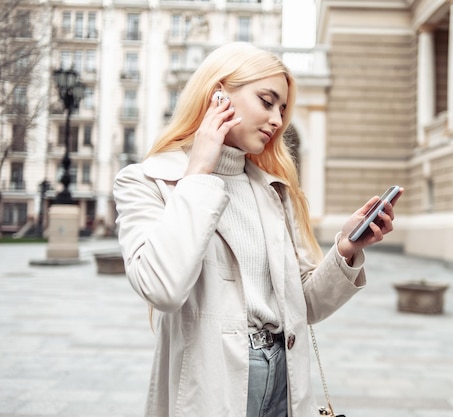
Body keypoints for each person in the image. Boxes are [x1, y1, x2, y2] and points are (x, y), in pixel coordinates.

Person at [113, 42, 401, 417]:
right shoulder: (147, 182)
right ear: (218, 95)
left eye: (282, 109)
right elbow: (162, 288)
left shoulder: (271, 190)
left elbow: (305, 305)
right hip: (213, 381)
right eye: (267, 102)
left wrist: (345, 249)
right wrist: (198, 171)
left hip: (285, 375)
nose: (278, 121)